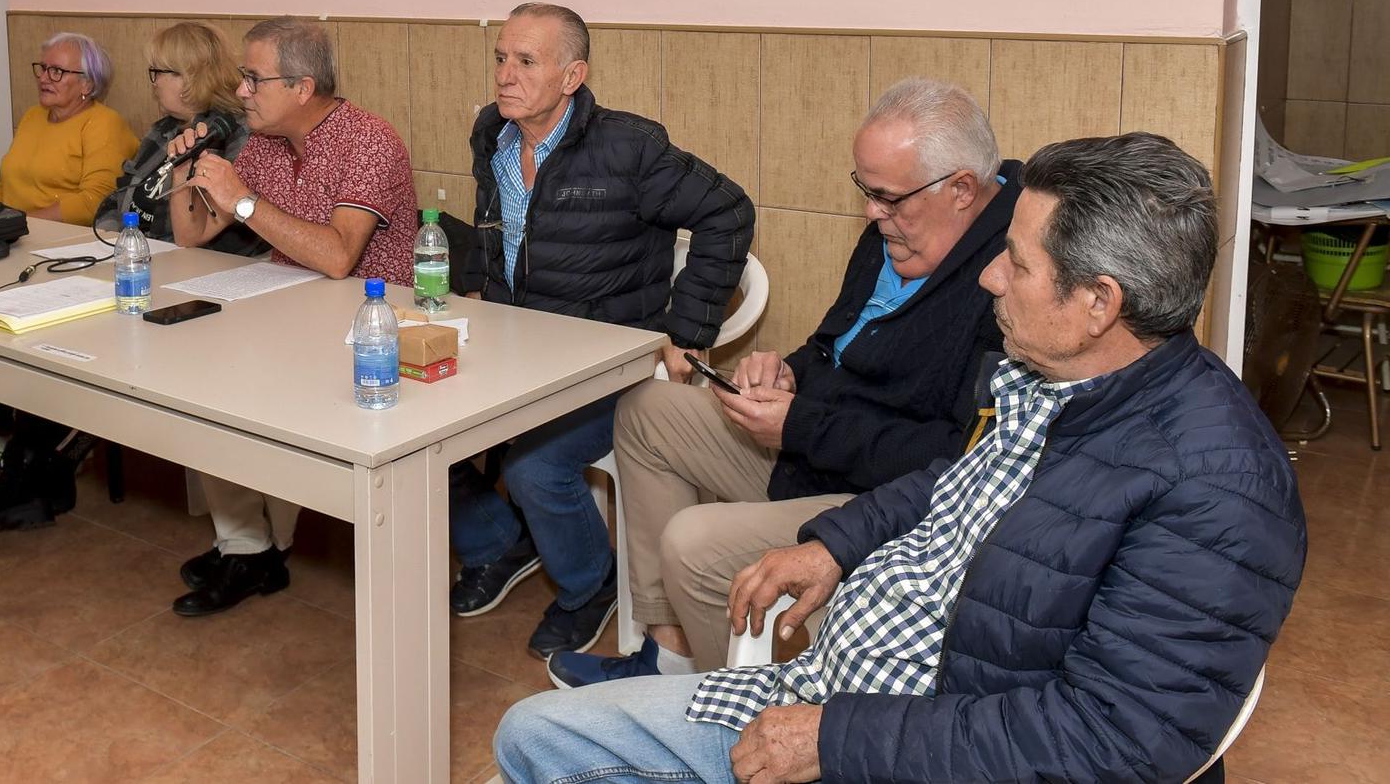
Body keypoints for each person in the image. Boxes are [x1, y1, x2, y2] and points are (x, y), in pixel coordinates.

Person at [495, 132, 1307, 784]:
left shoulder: (1218, 487)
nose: (990, 275)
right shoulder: (1054, 381)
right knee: (531, 733)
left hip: (896, 744)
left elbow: (1111, 742)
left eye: (1018, 262)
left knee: (541, 748)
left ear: (1099, 303)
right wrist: (834, 544)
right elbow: (954, 480)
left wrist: (837, 739)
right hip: (834, 697)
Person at [553, 79, 1016, 686]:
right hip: (814, 452)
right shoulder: (900, 232)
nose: (873, 214)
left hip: (886, 501)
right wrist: (789, 368)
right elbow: (835, 342)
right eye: (866, 191)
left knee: (692, 544)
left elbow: (957, 462)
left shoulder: (1007, 284)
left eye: (886, 197)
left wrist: (801, 425)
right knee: (646, 408)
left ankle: (731, 719)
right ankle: (669, 659)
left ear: (961, 190)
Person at [450, 3, 755, 659]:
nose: (505, 74)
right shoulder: (492, 135)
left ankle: (590, 585)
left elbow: (728, 211)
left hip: (607, 362)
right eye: (500, 57)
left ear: (572, 75)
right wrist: (476, 290)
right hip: (518, 351)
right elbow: (493, 232)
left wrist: (688, 327)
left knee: (535, 467)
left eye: (525, 61)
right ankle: (498, 542)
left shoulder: (628, 147)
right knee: (418, 422)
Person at [164, 16, 417, 615]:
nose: (242, 91)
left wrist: (243, 199)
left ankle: (258, 547)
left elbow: (336, 258)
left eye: (254, 79)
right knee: (197, 374)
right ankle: (248, 544)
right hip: (286, 310)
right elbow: (193, 233)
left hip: (368, 324)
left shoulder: (368, 142)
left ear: (302, 88)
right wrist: (185, 169)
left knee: (244, 381)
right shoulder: (264, 144)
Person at [0, 32, 139, 494]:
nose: (45, 79)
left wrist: (19, 222)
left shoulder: (103, 125)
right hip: (17, 242)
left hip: (69, 254)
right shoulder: (33, 117)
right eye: (43, 68)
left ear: (88, 84)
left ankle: (27, 438)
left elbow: (94, 201)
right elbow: (5, 183)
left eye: (59, 71)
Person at [93, 21, 257, 256]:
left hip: (196, 264)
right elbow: (118, 197)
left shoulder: (234, 134)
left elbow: (212, 227)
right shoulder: (162, 129)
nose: (154, 83)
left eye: (158, 72)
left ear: (191, 77)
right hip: (134, 254)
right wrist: (111, 241)